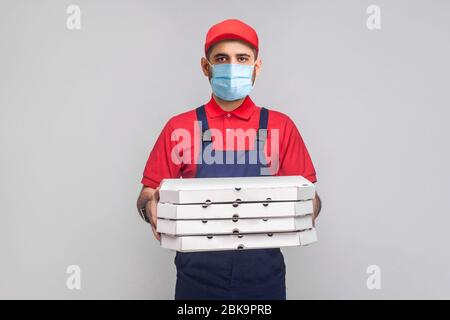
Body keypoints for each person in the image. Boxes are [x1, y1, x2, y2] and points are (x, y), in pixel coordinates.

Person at [136, 19, 322, 300]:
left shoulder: (281, 127)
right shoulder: (179, 128)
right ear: (205, 66)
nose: (232, 66)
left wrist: (309, 206)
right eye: (221, 58)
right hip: (196, 279)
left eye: (242, 58)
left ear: (256, 67)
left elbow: (311, 197)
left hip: (264, 279)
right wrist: (150, 206)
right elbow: (147, 194)